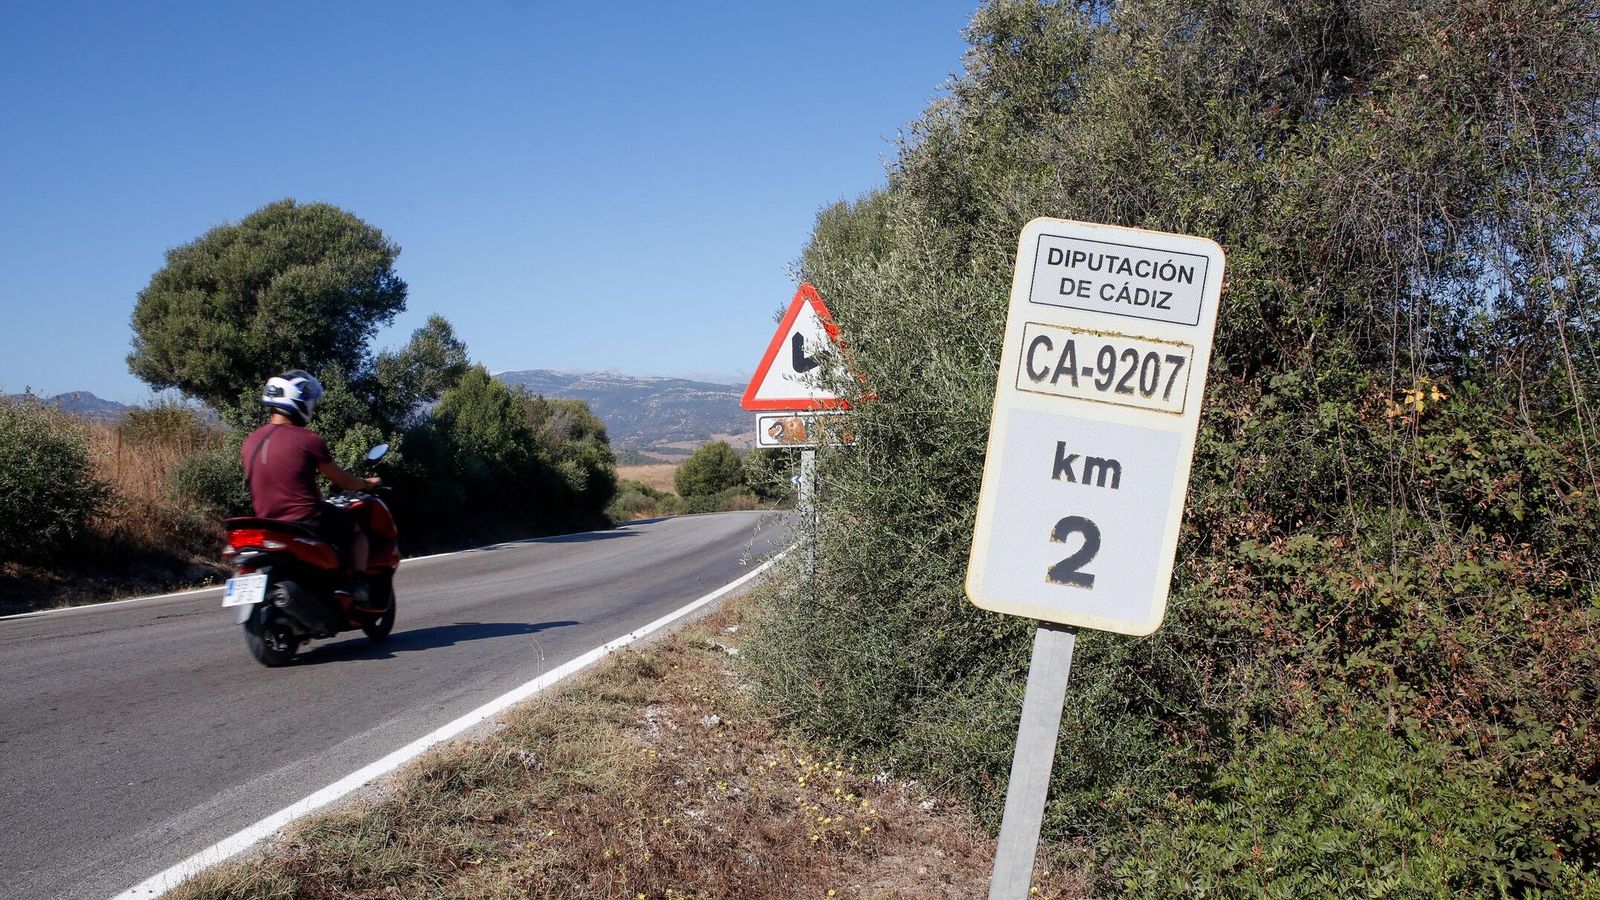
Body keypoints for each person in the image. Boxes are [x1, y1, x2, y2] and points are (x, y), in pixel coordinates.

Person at [240, 370, 381, 604]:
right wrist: (365, 483)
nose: (310, 403)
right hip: (305, 518)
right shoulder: (307, 439)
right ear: (295, 401)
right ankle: (358, 584)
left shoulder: (250, 441)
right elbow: (342, 480)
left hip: (268, 522)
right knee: (357, 534)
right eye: (306, 398)